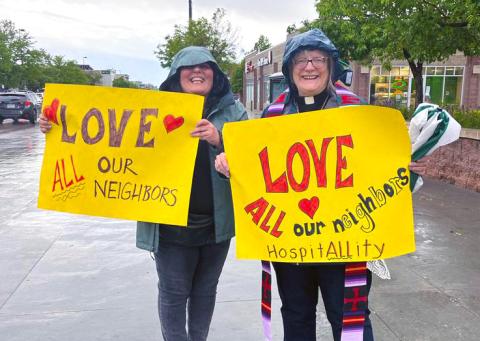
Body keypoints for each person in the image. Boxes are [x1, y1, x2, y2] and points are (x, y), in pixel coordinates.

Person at [215, 29, 427, 341]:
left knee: (350, 319)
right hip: (292, 243)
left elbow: (380, 167)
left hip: (346, 243)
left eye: (318, 58)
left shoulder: (358, 112)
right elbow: (256, 171)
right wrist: (229, 168)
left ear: (331, 65)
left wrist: (405, 165)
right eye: (300, 59)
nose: (309, 66)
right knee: (297, 317)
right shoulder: (272, 117)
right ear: (289, 68)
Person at [40, 46, 248, 341]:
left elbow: (254, 159)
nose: (198, 71)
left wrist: (220, 138)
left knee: (206, 291)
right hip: (169, 226)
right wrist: (55, 125)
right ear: (176, 75)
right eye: (189, 67)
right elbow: (98, 134)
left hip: (217, 225)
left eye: (206, 66)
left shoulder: (234, 112)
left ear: (216, 74)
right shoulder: (152, 109)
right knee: (174, 294)